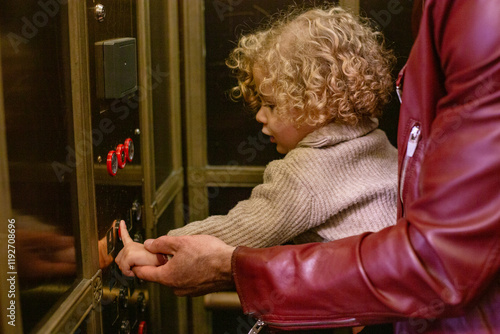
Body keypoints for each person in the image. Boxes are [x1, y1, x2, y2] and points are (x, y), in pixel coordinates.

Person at [116, 6, 399, 277]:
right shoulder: (378, 143)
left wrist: (156, 249)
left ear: (317, 105)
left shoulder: (305, 173)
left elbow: (240, 230)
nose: (260, 116)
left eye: (271, 105)